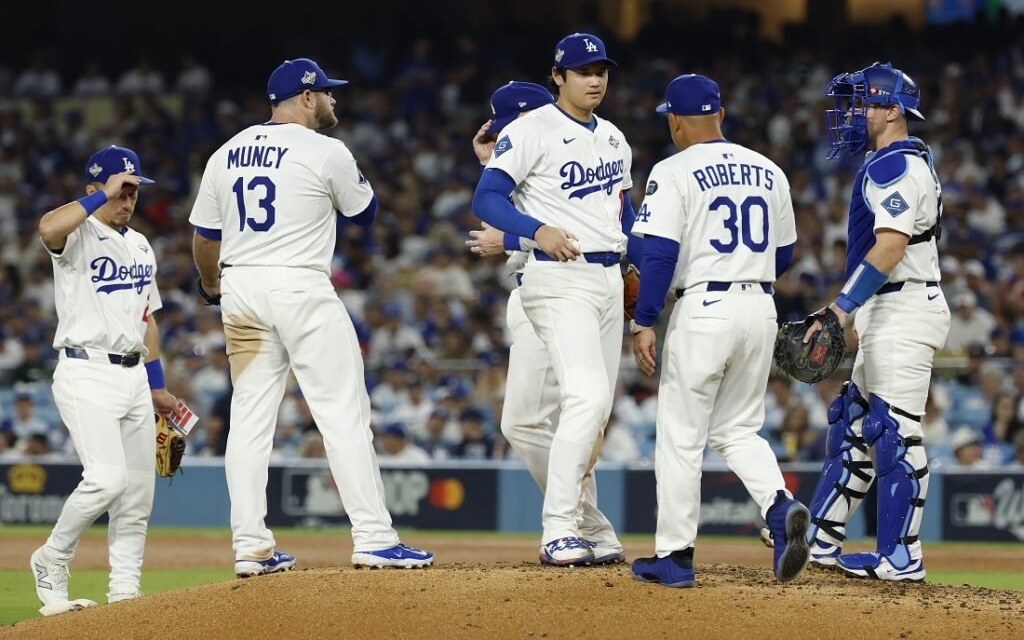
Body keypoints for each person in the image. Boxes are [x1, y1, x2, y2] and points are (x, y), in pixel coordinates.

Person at [188, 58, 432, 575]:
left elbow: (205, 238)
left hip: (240, 287)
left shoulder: (224, 153)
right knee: (342, 413)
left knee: (249, 423)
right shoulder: (326, 149)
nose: (333, 100)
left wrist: (212, 287)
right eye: (326, 92)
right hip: (298, 282)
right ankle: (374, 538)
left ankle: (251, 546)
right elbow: (363, 213)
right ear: (305, 97)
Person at [627, 74, 810, 587]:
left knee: (682, 437)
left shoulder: (674, 168)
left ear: (674, 120)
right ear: (721, 116)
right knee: (737, 429)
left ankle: (675, 557)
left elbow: (658, 253)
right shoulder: (769, 169)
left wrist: (643, 320)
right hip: (760, 306)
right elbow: (785, 254)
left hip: (705, 306)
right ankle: (779, 508)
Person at [471, 34, 637, 566]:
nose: (595, 79)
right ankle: (560, 529)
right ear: (558, 76)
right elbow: (487, 198)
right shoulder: (531, 129)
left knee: (587, 409)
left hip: (608, 279)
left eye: (602, 70)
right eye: (584, 70)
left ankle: (591, 527)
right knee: (584, 400)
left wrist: (639, 280)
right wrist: (535, 230)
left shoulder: (613, 137)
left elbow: (621, 216)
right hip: (558, 278)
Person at [802, 62, 949, 582]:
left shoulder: (896, 167)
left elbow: (890, 246)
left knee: (894, 434)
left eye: (862, 102)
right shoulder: (893, 162)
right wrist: (861, 308)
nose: (852, 112)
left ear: (892, 110)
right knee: (853, 426)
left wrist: (842, 307)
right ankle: (817, 539)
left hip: (905, 307)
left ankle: (901, 556)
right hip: (889, 306)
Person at [30, 146, 178, 615]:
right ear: (95, 189)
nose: (129, 200)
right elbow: (47, 228)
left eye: (134, 191)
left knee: (137, 495)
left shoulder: (139, 244)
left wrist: (155, 383)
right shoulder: (77, 233)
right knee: (107, 479)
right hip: (85, 369)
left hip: (134, 376)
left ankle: (125, 596)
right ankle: (51, 557)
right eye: (122, 189)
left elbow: (147, 318)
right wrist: (99, 198)